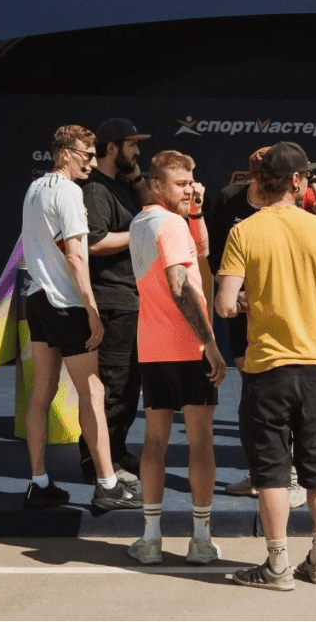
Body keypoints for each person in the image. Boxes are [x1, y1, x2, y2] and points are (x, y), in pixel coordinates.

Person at [216, 141, 316, 590]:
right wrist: (310, 305)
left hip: (266, 367)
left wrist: (253, 303)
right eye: (307, 176)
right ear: (296, 181)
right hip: (315, 364)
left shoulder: (245, 231)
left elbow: (224, 305)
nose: (310, 181)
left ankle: (277, 565)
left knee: (272, 471)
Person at [17, 124, 140, 513]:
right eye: (86, 155)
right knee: (93, 392)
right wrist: (91, 308)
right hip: (66, 304)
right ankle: (106, 484)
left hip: (37, 300)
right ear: (65, 153)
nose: (92, 162)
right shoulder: (69, 192)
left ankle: (39, 483)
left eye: (93, 154)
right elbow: (75, 255)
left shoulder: (35, 188)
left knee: (42, 393)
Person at [125, 151, 228, 566]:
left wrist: (195, 210)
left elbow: (199, 251)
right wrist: (210, 342)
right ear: (156, 185)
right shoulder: (171, 225)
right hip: (188, 347)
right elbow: (181, 284)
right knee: (200, 441)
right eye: (180, 184)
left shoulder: (143, 222)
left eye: (191, 183)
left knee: (154, 441)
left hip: (152, 348)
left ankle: (150, 539)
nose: (189, 190)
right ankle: (200, 540)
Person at [209, 147, 305, 507]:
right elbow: (215, 255)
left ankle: (290, 475)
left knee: (282, 400)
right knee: (253, 400)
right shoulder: (228, 198)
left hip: (282, 318)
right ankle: (260, 473)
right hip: (242, 316)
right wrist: (236, 293)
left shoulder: (290, 207)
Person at [78, 116, 151, 485]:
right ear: (112, 148)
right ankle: (96, 462)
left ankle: (116, 450)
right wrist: (138, 233)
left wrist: (136, 178)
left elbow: (151, 209)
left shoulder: (122, 184)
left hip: (131, 298)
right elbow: (93, 242)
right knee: (112, 384)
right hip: (110, 299)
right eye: (131, 145)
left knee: (129, 385)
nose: (137, 151)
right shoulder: (95, 190)